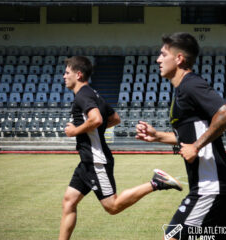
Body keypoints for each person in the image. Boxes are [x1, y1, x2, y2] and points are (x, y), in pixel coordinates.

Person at [59, 56, 182, 240]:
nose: (63, 76)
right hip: (86, 162)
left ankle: (157, 182)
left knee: (112, 206)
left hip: (96, 161)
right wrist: (93, 130)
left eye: (67, 72)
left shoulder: (83, 96)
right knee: (69, 202)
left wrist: (75, 131)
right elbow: (115, 118)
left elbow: (97, 119)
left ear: (78, 74)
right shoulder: (94, 94)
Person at [136, 32, 226, 240]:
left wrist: (197, 147)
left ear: (179, 58)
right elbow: (190, 137)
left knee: (171, 236)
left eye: (163, 54)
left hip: (210, 187)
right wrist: (157, 136)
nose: (158, 60)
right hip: (217, 185)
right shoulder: (181, 90)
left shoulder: (191, 84)